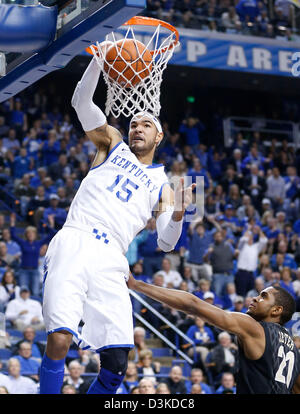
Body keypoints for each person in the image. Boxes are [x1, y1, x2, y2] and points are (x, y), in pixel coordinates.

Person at [39, 50, 196, 394]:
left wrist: (181, 215)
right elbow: (81, 100)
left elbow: (167, 242)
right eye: (134, 123)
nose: (137, 128)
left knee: (117, 365)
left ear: (159, 137)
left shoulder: (164, 185)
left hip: (112, 258)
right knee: (61, 340)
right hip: (77, 239)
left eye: (146, 125)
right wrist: (99, 59)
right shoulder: (112, 143)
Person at [127, 275, 300, 393]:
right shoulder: (294, 351)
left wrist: (137, 285)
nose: (255, 298)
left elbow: (193, 305)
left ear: (277, 310)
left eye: (263, 296)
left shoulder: (255, 328)